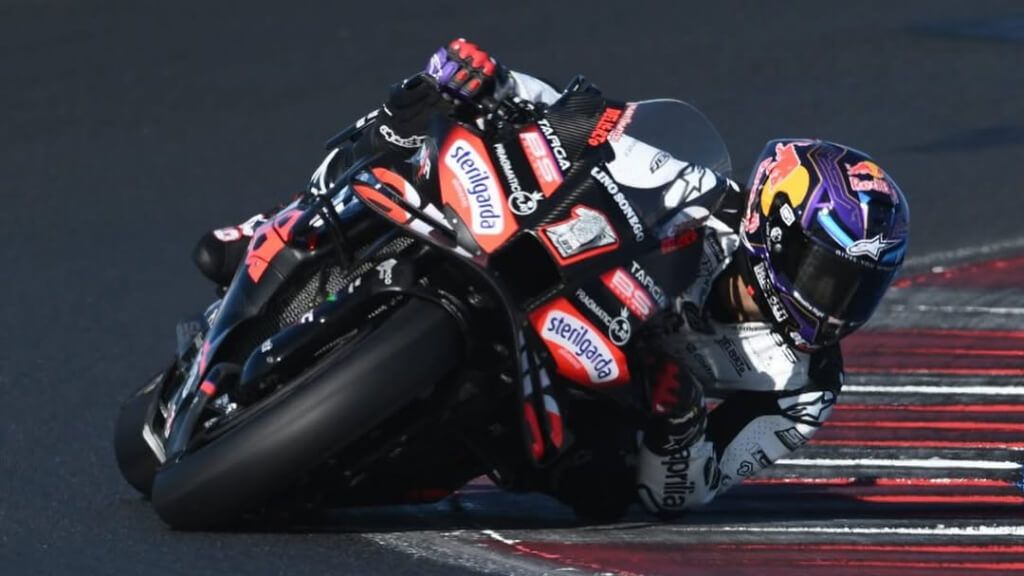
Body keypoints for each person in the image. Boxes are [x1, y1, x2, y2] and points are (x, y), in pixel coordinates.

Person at [193, 39, 910, 518]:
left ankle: (411, 436)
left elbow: (684, 494)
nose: (836, 305)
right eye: (826, 274)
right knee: (423, 108)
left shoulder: (802, 386)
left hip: (603, 385)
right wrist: (497, 85)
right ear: (771, 230)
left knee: (600, 493)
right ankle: (279, 222)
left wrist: (679, 421)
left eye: (856, 288)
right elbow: (599, 129)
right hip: (557, 273)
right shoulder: (701, 189)